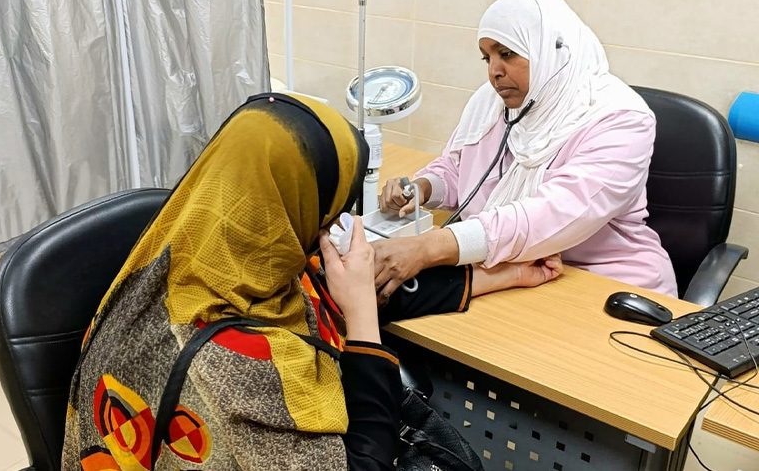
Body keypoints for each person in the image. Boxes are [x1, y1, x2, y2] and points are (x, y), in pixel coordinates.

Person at [61, 93, 561, 471]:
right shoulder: (236, 361)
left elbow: (339, 291)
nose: (331, 226)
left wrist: (507, 274)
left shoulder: (199, 257)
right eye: (329, 211)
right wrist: (362, 318)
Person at [377, 0, 677, 299]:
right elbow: (461, 171)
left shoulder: (621, 119)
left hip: (608, 284)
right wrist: (423, 188)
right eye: (487, 58)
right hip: (514, 273)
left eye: (507, 54)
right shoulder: (492, 103)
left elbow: (552, 214)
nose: (494, 72)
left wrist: (429, 247)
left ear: (552, 50)